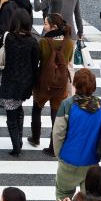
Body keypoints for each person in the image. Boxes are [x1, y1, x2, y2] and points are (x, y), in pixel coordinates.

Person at [49, 67, 101, 201]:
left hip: (69, 159)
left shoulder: (67, 105)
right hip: (92, 161)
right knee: (91, 198)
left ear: (75, 85)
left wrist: (59, 153)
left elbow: (58, 133)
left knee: (63, 194)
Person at [29, 13, 76, 157]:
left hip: (44, 82)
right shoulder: (69, 43)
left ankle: (35, 138)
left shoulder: (43, 42)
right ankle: (53, 146)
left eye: (45, 24)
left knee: (37, 108)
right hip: (61, 83)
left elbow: (38, 61)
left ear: (53, 26)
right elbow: (68, 61)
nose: (44, 26)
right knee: (55, 115)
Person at [0, 10, 39, 157]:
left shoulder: (9, 38)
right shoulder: (33, 41)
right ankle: (19, 139)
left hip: (10, 81)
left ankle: (16, 145)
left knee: (10, 114)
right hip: (26, 82)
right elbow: (35, 64)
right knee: (18, 107)